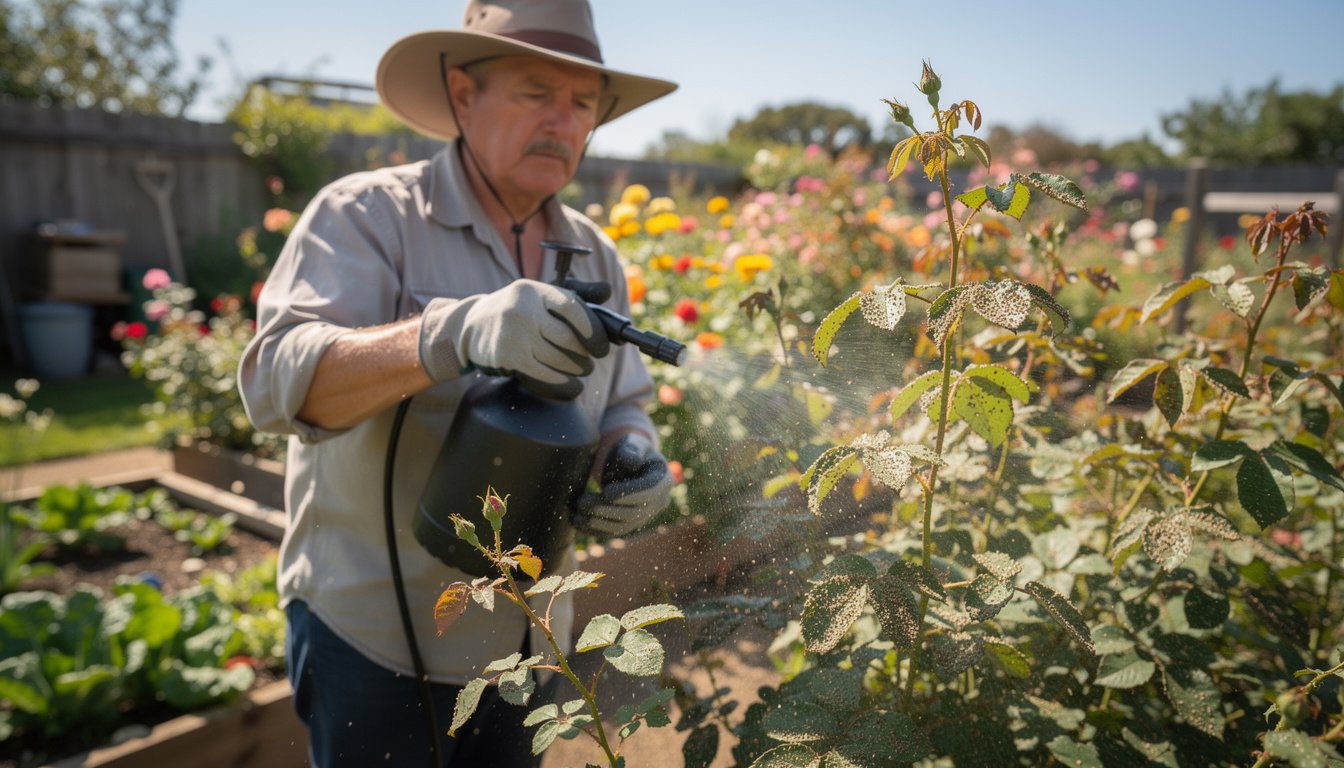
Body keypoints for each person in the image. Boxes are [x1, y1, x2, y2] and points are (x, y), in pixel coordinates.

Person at [236, 2, 678, 765]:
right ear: (462, 96)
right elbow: (276, 384)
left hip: (533, 650)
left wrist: (633, 454)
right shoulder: (367, 216)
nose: (563, 122)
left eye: (583, 103)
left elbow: (624, 400)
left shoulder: (596, 253)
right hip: (372, 647)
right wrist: (448, 334)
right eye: (537, 92)